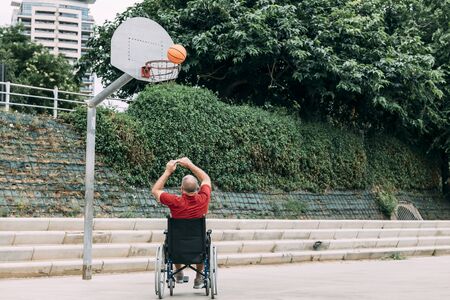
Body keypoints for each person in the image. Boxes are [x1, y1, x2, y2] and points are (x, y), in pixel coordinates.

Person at [151, 157, 212, 289]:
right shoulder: (203, 198)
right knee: (203, 241)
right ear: (197, 187)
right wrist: (190, 164)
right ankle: (199, 277)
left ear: (181, 188)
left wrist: (168, 171)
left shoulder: (175, 201)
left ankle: (178, 274)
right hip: (198, 245)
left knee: (172, 238)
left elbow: (155, 190)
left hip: (177, 246)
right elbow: (206, 179)